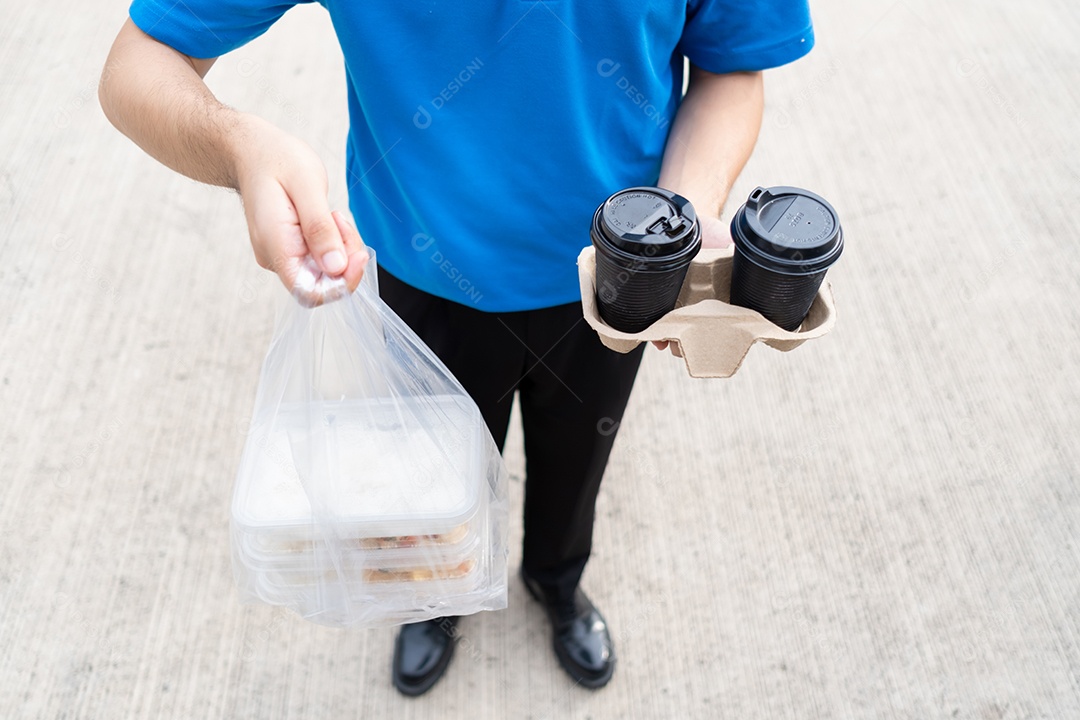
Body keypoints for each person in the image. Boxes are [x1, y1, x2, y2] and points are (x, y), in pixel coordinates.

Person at [100, 0, 814, 696]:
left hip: (614, 282)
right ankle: (439, 606)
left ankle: (556, 583)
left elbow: (731, 64)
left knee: (578, 458)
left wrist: (680, 211)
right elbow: (139, 64)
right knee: (428, 488)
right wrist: (239, 145)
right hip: (424, 276)